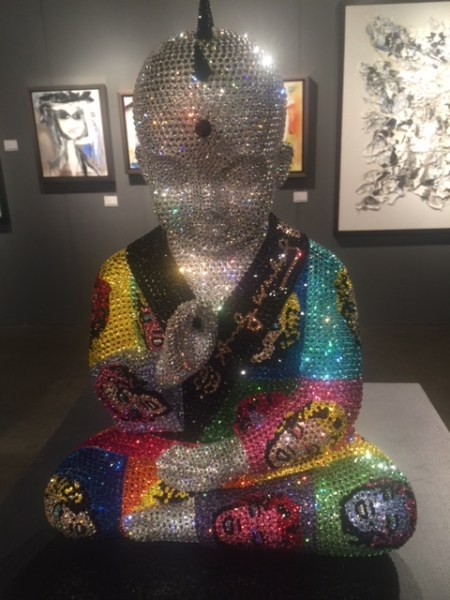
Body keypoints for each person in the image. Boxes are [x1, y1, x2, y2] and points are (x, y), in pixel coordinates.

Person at [45, 0, 416, 555]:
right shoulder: (124, 274)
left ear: (277, 166)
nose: (206, 202)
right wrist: (162, 371)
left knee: (383, 507)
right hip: (170, 452)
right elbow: (115, 394)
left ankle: (191, 523)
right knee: (69, 494)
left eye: (237, 177)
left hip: (278, 457)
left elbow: (333, 398)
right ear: (148, 167)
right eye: (176, 177)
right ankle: (237, 522)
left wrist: (237, 455)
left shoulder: (315, 269)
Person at [33, 90, 106, 177]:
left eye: (77, 115)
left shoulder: (95, 148)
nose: (71, 123)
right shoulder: (55, 161)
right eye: (63, 115)